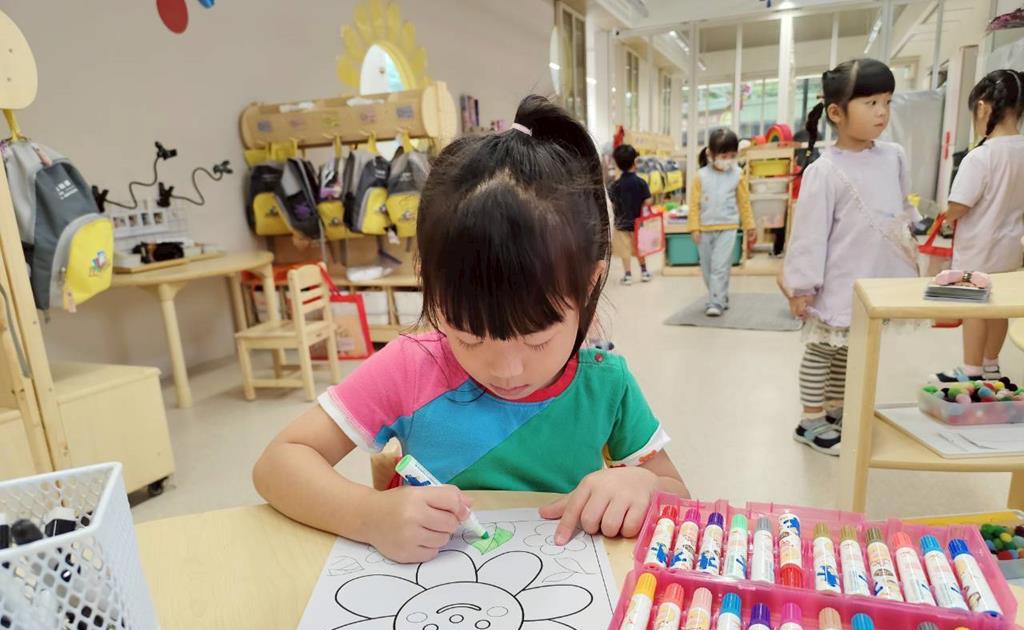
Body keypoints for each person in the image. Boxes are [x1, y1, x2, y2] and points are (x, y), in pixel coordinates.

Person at [253, 95, 689, 563]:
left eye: (537, 338)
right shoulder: (411, 366)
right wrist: (368, 514)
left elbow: (679, 495)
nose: (506, 369)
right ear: (432, 289)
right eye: (469, 337)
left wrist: (644, 486)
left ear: (589, 283)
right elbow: (278, 463)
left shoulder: (606, 384)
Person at [783, 58, 919, 456]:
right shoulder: (824, 170)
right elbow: (809, 235)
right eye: (870, 103)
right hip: (837, 281)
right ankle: (810, 419)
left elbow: (903, 207)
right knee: (823, 350)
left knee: (851, 349)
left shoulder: (894, 155)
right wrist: (802, 286)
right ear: (837, 113)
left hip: (877, 278)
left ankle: (837, 408)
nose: (882, 112)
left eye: (887, 101)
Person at [933, 69, 1024, 383]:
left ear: (983, 108)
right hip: (1010, 250)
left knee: (975, 308)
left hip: (978, 249)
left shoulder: (981, 157)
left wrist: (944, 215)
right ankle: (991, 365)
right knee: (999, 308)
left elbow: (960, 205)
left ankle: (971, 371)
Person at [689, 128, 757, 316]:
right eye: (724, 156)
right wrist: (694, 227)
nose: (728, 160)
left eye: (732, 156)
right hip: (704, 228)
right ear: (711, 154)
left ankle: (715, 302)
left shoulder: (737, 174)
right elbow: (693, 204)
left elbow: (744, 202)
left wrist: (749, 225)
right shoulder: (700, 176)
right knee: (707, 268)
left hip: (728, 227)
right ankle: (720, 296)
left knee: (719, 266)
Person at [608, 143, 653, 285]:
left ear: (617, 164)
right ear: (634, 162)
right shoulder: (641, 182)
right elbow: (648, 201)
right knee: (640, 249)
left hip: (621, 224)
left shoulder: (615, 185)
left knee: (625, 251)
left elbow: (612, 203)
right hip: (638, 223)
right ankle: (644, 272)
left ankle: (628, 275)